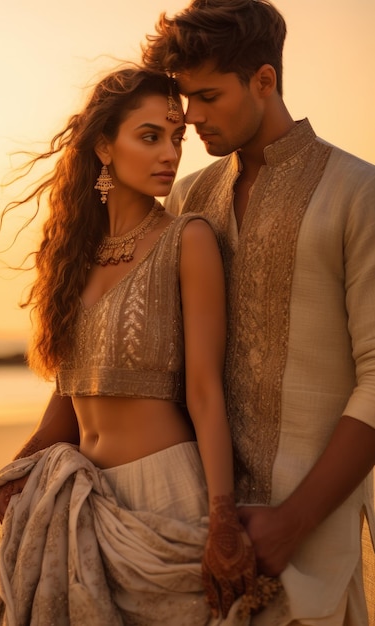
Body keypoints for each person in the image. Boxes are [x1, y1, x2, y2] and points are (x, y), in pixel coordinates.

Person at [0, 64, 281, 626]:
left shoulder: (187, 241)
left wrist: (221, 518)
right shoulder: (73, 259)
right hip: (78, 500)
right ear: (104, 148)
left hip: (163, 497)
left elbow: (205, 392)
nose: (170, 154)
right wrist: (24, 464)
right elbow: (69, 396)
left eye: (176, 138)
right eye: (149, 137)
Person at [140, 1, 375, 625]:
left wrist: (291, 523)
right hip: (190, 546)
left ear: (264, 80)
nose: (192, 118)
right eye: (185, 99)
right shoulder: (191, 198)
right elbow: (143, 346)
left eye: (209, 96)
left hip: (311, 550)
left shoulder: (357, 192)